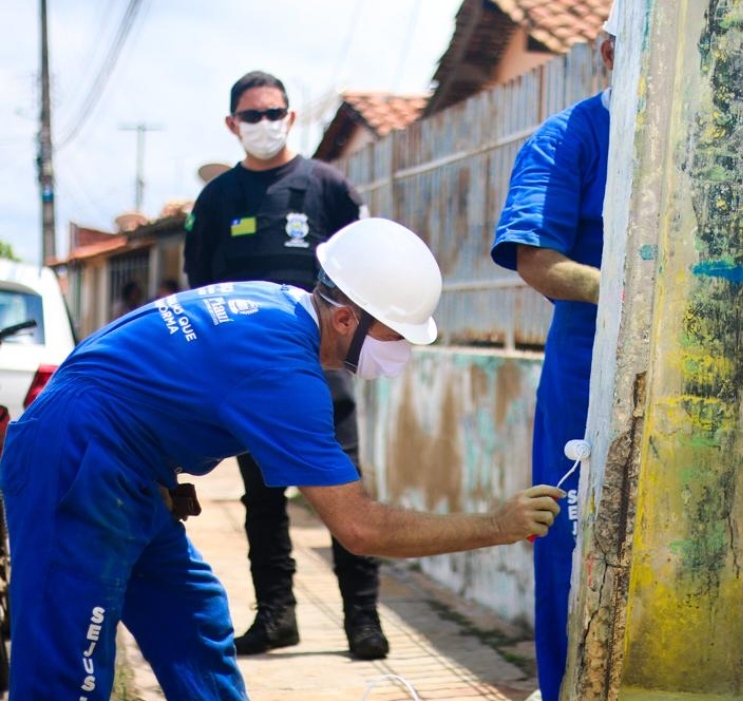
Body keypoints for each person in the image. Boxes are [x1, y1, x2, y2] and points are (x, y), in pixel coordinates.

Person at [0, 218, 564, 700]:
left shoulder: (275, 305)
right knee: (70, 660)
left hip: (121, 461)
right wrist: (496, 525)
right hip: (76, 459)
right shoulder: (285, 373)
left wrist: (152, 460)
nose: (401, 353)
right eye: (395, 336)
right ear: (346, 318)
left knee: (193, 620)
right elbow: (359, 528)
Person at [183, 70, 389, 659]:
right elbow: (201, 286)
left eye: (274, 113)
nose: (264, 125)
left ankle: (363, 619)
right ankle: (276, 615)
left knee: (344, 488)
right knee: (263, 498)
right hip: (247, 379)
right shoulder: (217, 200)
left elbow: (365, 275)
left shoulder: (329, 188)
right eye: (252, 116)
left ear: (291, 117)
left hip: (324, 371)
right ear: (232, 125)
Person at [490, 7, 616, 699]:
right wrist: (632, 294)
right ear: (606, 54)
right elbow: (537, 261)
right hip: (585, 368)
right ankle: (566, 685)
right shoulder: (567, 136)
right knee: (573, 539)